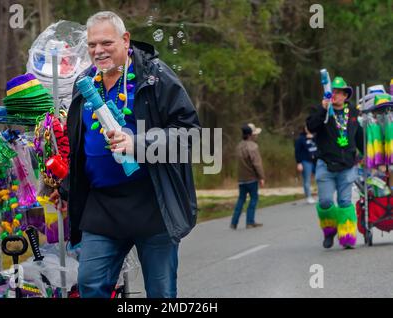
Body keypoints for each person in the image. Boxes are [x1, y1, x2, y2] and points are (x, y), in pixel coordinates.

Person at [51, 11, 200, 298]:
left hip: (152, 201)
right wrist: (66, 187)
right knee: (90, 284)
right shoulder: (85, 83)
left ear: (125, 40)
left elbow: (189, 134)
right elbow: (77, 145)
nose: (98, 50)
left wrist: (137, 143)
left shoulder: (157, 77)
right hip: (102, 205)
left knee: (161, 292)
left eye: (106, 43)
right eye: (92, 44)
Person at [306, 76, 363, 249]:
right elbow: (311, 126)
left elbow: (358, 135)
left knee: (345, 202)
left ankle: (346, 236)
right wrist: (323, 109)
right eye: (334, 92)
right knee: (325, 202)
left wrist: (366, 155)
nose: (336, 95)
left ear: (345, 95)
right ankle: (330, 231)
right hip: (326, 164)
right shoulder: (321, 110)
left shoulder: (353, 112)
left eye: (339, 92)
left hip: (347, 166)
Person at [230, 123, 265, 230]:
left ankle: (234, 222)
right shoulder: (253, 147)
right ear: (251, 135)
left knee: (241, 199)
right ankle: (250, 222)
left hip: (241, 179)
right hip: (252, 178)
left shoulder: (239, 146)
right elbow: (257, 164)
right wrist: (261, 177)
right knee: (254, 198)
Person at [294, 125, 318, 204]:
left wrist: (313, 138)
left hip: (315, 160)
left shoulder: (315, 137)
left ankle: (320, 194)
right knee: (307, 179)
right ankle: (308, 196)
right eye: (307, 128)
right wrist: (299, 163)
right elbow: (297, 151)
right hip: (305, 161)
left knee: (319, 177)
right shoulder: (301, 139)